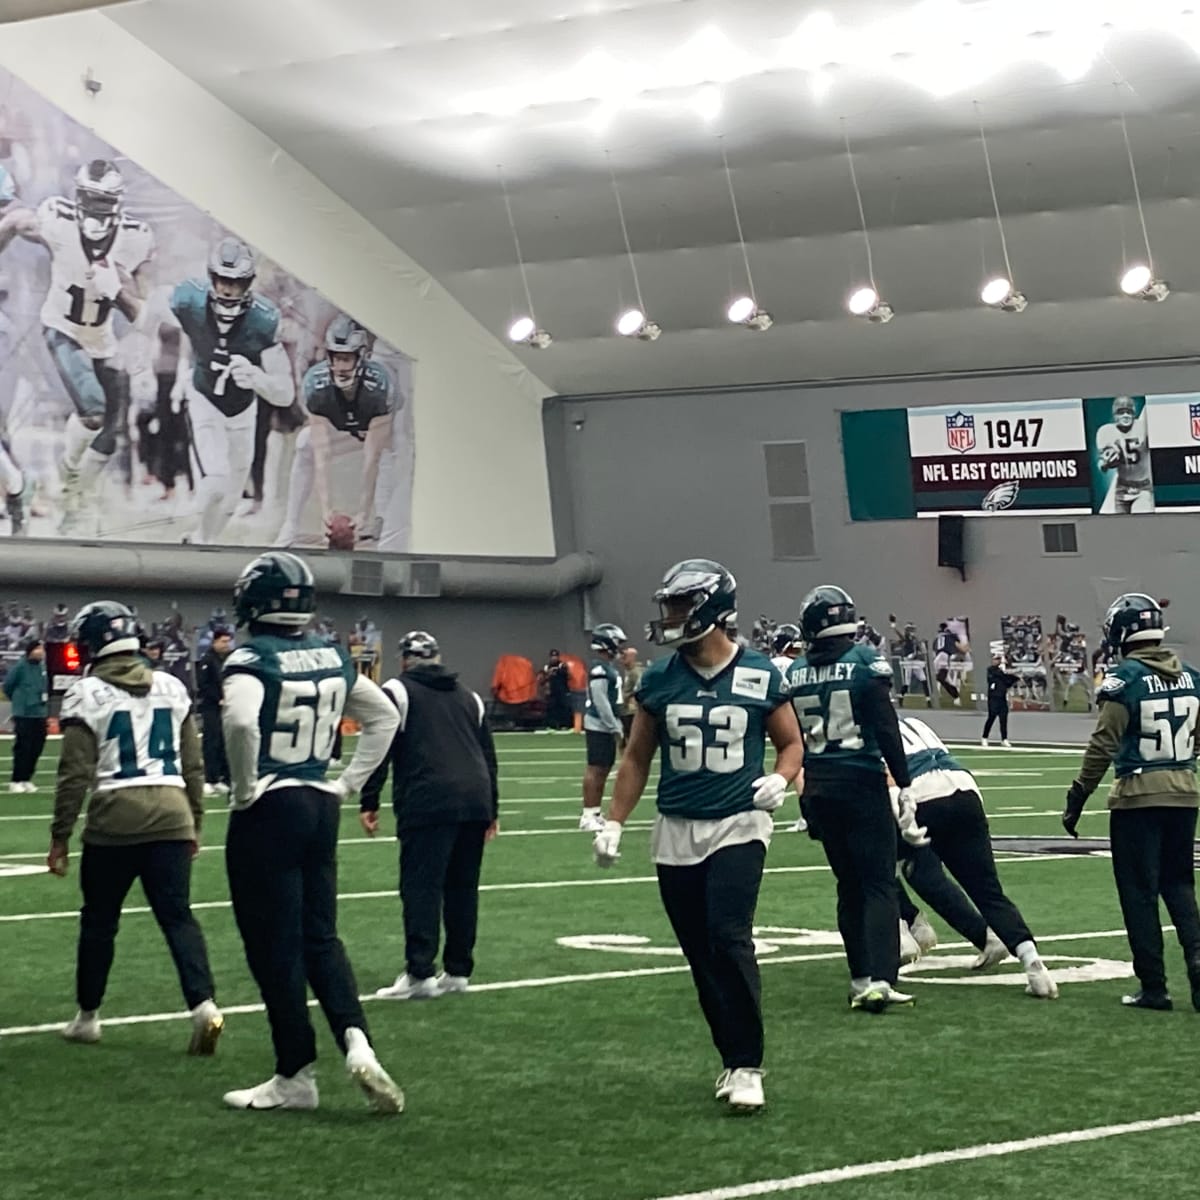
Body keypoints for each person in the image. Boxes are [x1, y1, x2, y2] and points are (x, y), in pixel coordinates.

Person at [594, 559, 803, 1112]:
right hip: (676, 826)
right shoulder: (660, 678)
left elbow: (791, 743)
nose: (672, 617)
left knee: (727, 936)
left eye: (682, 606)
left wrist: (780, 780)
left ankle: (748, 1063)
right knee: (700, 952)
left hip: (739, 822)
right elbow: (637, 757)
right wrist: (614, 818)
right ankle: (731, 1058)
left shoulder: (760, 673)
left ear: (711, 609)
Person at [220, 551, 403, 1113]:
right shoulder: (329, 654)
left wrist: (247, 788)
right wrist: (346, 784)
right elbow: (386, 716)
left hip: (271, 806)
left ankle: (294, 1072)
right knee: (321, 936)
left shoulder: (251, 657)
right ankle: (357, 1039)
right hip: (319, 804)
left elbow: (242, 720)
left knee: (273, 946)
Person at [47, 601, 223, 1053]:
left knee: (100, 921)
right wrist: (195, 821)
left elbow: (74, 773)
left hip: (115, 817)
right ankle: (203, 1005)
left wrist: (60, 836)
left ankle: (88, 1015)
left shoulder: (86, 693)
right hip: (172, 813)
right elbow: (194, 764)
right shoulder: (170, 685)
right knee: (178, 916)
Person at [787, 585, 927, 1013]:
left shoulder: (794, 671)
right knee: (878, 882)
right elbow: (885, 726)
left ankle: (859, 976)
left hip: (819, 785)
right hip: (861, 782)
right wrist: (903, 782)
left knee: (847, 885)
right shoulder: (864, 661)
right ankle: (882, 980)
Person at [0, 161, 154, 535]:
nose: (96, 209)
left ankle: (73, 499)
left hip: (103, 337)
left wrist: (118, 290)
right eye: (89, 198)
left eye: (104, 201)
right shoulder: (57, 219)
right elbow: (15, 220)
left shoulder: (135, 237)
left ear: (118, 203)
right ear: (77, 196)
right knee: (94, 412)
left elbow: (142, 309)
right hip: (61, 327)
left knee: (112, 430)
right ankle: (67, 471)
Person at [1063, 594, 1200, 1011]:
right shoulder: (1192, 677)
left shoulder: (1124, 680)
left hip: (1138, 797)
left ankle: (1155, 987)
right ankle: (1198, 966)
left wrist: (1078, 795)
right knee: (1179, 886)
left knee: (1139, 893)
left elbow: (1102, 744)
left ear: (1121, 634)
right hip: (1185, 793)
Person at [360, 630, 499, 1000]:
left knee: (421, 887)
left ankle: (420, 973)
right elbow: (488, 756)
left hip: (429, 798)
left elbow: (380, 742)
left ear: (404, 659)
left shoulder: (397, 691)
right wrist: (492, 808)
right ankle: (457, 970)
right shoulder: (469, 696)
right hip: (475, 799)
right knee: (462, 888)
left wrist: (368, 799)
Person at [896, 715, 1057, 996]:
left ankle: (901, 932)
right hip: (964, 789)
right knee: (988, 891)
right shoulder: (914, 721)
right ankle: (1035, 966)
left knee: (872, 863)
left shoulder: (865, 723)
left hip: (920, 794)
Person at [171, 238, 295, 545]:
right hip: (204, 397)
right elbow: (150, 313)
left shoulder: (263, 319)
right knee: (215, 481)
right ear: (212, 277)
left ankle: (201, 543)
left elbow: (285, 394)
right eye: (223, 280)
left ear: (248, 284)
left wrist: (256, 378)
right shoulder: (188, 300)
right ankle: (196, 537)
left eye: (236, 283)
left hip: (242, 410)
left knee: (229, 498)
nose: (228, 290)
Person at [274, 316, 401, 549]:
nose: (340, 367)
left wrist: (363, 511)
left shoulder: (379, 385)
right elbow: (322, 452)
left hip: (380, 430)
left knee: (393, 456)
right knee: (305, 443)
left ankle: (382, 522)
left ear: (361, 357)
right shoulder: (317, 383)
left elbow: (371, 457)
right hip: (348, 427)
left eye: (347, 358)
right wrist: (326, 511)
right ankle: (290, 525)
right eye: (336, 357)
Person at [579, 623, 627, 833]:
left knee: (603, 769)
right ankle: (588, 814)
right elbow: (601, 701)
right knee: (596, 769)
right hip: (599, 725)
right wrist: (614, 727)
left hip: (605, 724)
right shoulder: (600, 670)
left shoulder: (607, 668)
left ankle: (595, 812)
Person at [1096, 396, 1154, 515]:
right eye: (1121, 412)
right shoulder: (1106, 431)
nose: (1126, 416)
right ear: (1114, 415)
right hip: (1121, 489)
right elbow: (1102, 465)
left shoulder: (1143, 427)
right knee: (1122, 526)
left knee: (1141, 523)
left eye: (1129, 412)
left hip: (1143, 487)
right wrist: (1106, 463)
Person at [4, 636, 47, 792]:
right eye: (38, 649)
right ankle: (16, 780)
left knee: (37, 747)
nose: (41, 652)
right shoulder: (20, 667)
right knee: (23, 747)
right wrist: (18, 701)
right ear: (30, 651)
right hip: (24, 714)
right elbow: (8, 685)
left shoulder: (42, 667)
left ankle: (27, 778)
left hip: (39, 713)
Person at [195, 625, 233, 796]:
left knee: (225, 742)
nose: (227, 644)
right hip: (211, 707)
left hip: (227, 707)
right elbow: (203, 685)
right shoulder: (207, 660)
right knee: (211, 741)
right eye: (223, 641)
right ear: (215, 641)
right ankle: (210, 779)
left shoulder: (227, 659)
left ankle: (224, 777)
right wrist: (217, 698)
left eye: (228, 641)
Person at [981, 653, 1018, 747]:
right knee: (991, 718)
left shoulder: (1001, 672)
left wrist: (1015, 679)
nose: (997, 661)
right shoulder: (991, 670)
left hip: (1002, 698)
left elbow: (1007, 683)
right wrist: (1010, 675)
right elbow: (1001, 677)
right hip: (993, 698)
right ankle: (984, 737)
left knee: (1003, 719)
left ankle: (1004, 739)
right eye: (995, 659)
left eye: (998, 659)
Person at [540, 649, 572, 730]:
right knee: (551, 709)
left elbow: (567, 676)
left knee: (564, 708)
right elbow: (542, 681)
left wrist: (558, 671)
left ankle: (564, 725)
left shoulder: (562, 665)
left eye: (556, 656)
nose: (554, 658)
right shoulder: (546, 667)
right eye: (552, 656)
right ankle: (552, 725)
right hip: (551, 691)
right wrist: (548, 674)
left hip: (562, 691)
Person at [619, 645, 644, 741]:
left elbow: (640, 688)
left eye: (625, 656)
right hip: (625, 709)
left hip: (631, 711)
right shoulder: (628, 671)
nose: (622, 658)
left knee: (631, 739)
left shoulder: (635, 672)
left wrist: (631, 699)